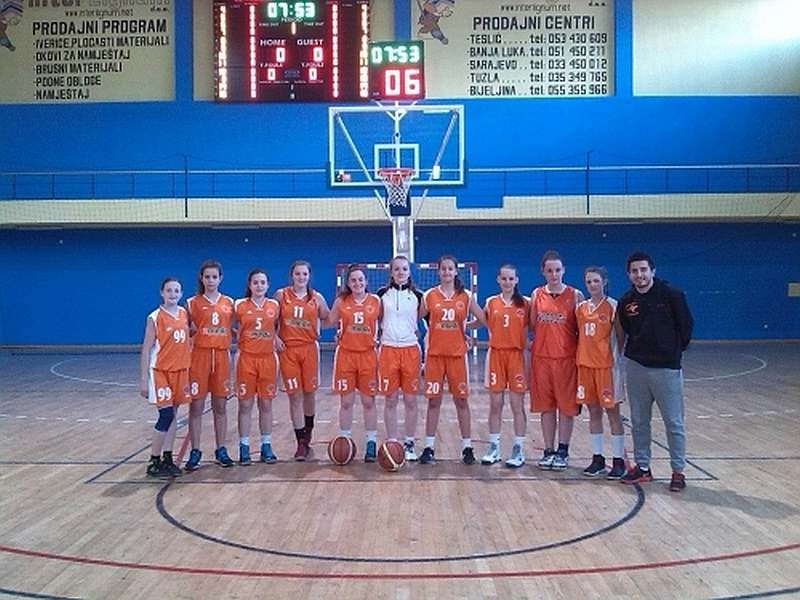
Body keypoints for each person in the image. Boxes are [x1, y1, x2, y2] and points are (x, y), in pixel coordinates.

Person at [617, 251, 694, 492]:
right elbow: (627, 330)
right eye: (634, 271)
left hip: (666, 369)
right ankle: (643, 467)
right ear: (629, 274)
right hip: (637, 367)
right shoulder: (626, 301)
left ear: (652, 271)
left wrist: (671, 352)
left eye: (643, 270)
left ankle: (678, 471)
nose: (639, 274)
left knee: (673, 422)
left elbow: (686, 327)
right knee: (639, 421)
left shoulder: (672, 295)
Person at [418, 255, 486, 465]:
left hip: (457, 356)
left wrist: (466, 328)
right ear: (438, 271)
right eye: (443, 269)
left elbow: (483, 318)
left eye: (450, 269)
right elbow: (414, 318)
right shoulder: (429, 296)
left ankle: (467, 447)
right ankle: (428, 447)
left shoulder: (466, 296)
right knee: (433, 401)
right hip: (435, 356)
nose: (447, 272)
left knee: (461, 401)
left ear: (456, 271)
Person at [530, 250, 584, 471]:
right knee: (547, 407)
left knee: (567, 408)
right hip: (541, 358)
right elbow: (532, 325)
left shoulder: (575, 295)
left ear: (564, 271)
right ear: (543, 271)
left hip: (566, 359)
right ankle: (548, 450)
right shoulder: (537, 294)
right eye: (550, 270)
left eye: (558, 270)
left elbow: (581, 330)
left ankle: (563, 450)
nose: (554, 274)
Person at [274, 260, 330, 461]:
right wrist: (274, 337)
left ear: (309, 276)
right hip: (288, 350)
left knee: (309, 394)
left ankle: (308, 432)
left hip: (309, 349)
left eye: (304, 274)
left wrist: (318, 328)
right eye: (297, 274)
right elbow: (270, 319)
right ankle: (300, 442)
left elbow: (328, 318)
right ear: (292, 275)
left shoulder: (317, 297)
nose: (301, 277)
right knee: (294, 396)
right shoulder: (281, 295)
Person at [575, 266, 626, 480]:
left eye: (596, 281)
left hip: (607, 368)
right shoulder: (580, 308)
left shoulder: (613, 306)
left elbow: (621, 337)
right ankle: (597, 458)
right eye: (589, 282)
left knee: (613, 413)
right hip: (585, 366)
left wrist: (611, 357)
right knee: (593, 413)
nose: (592, 285)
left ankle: (619, 460)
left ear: (604, 281)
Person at [326, 265, 381, 462]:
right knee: (346, 402)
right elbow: (328, 321)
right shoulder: (341, 301)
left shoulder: (376, 301)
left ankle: (371, 442)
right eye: (353, 280)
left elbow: (388, 321)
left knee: (369, 402)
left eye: (360, 280)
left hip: (368, 356)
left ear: (366, 282)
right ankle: (345, 439)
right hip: (346, 356)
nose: (357, 283)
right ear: (348, 283)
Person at [184, 259, 235, 470]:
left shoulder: (230, 303)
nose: (211, 280)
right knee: (196, 406)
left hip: (222, 357)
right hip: (199, 357)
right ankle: (195, 450)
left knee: (220, 406)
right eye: (207, 277)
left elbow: (238, 328)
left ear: (220, 278)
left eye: (214, 277)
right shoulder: (191, 303)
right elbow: (184, 330)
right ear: (201, 278)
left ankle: (221, 449)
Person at [139, 277, 192, 478]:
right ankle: (154, 461)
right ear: (162, 293)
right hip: (161, 371)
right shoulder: (154, 317)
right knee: (166, 415)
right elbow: (146, 349)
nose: (173, 294)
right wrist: (143, 379)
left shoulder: (184, 313)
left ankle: (168, 458)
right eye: (169, 290)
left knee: (174, 415)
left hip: (180, 371)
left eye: (176, 290)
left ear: (181, 293)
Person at [482, 264, 530, 468]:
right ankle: (494, 447)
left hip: (517, 356)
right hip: (496, 355)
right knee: (495, 404)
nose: (507, 282)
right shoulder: (491, 302)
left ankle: (519, 449)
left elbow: (536, 327)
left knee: (517, 405)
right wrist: (460, 328)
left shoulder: (526, 303)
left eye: (511, 278)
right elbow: (480, 322)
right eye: (504, 278)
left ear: (516, 280)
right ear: (498, 280)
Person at [376, 256, 423, 461]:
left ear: (409, 272)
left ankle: (409, 443)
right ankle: (392, 441)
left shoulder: (418, 296)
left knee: (411, 400)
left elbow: (430, 322)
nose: (401, 272)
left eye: (404, 269)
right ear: (391, 272)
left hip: (410, 349)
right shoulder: (381, 294)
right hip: (387, 350)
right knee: (391, 399)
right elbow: (373, 319)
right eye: (397, 269)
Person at [234, 268, 282, 465]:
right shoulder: (239, 305)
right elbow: (227, 324)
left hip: (268, 359)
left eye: (262, 282)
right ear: (250, 285)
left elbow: (278, 326)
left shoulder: (274, 305)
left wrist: (276, 336)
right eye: (255, 282)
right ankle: (244, 447)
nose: (259, 286)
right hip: (246, 359)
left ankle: (266, 446)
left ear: (268, 285)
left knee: (266, 404)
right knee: (245, 405)